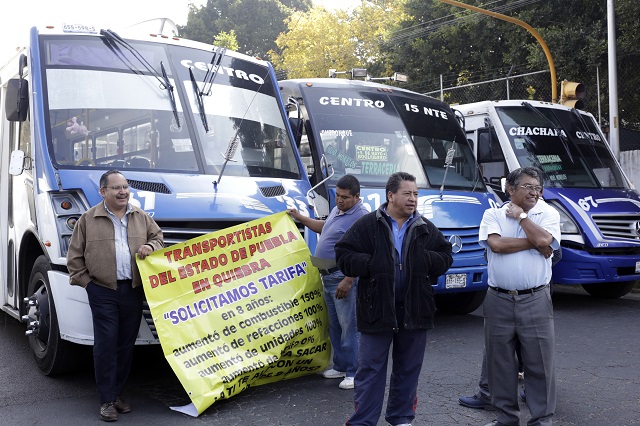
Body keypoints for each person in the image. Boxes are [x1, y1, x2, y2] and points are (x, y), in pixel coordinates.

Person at [335, 171, 453, 426]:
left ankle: (401, 418)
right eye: (407, 193)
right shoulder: (369, 224)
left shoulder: (423, 227)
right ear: (391, 196)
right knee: (370, 371)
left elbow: (445, 255)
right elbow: (343, 253)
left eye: (416, 194)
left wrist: (425, 261)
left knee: (408, 369)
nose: (413, 199)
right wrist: (371, 264)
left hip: (415, 310)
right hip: (377, 309)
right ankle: (363, 421)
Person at [67, 169, 163, 422]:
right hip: (102, 290)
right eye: (116, 188)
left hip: (132, 290)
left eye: (125, 187)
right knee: (106, 345)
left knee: (125, 346)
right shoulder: (88, 219)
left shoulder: (141, 216)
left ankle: (118, 394)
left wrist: (150, 246)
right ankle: (107, 401)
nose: (123, 192)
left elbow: (159, 239)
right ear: (103, 192)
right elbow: (74, 258)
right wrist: (88, 284)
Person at [479, 167, 560, 426]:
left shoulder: (547, 212)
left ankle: (542, 419)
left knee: (540, 364)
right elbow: (497, 245)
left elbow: (546, 237)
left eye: (537, 187)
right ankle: (506, 418)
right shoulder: (492, 213)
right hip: (498, 299)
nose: (534, 192)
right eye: (527, 187)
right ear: (510, 189)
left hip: (535, 298)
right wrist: (536, 243)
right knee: (500, 363)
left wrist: (523, 217)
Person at [288, 174, 368, 389]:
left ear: (357, 197)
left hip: (342, 277)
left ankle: (354, 372)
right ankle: (341, 365)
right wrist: (301, 218)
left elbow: (367, 252)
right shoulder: (338, 210)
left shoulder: (362, 217)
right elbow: (325, 227)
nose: (340, 200)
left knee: (349, 326)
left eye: (345, 197)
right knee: (334, 325)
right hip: (327, 276)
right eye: (338, 196)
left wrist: (349, 279)